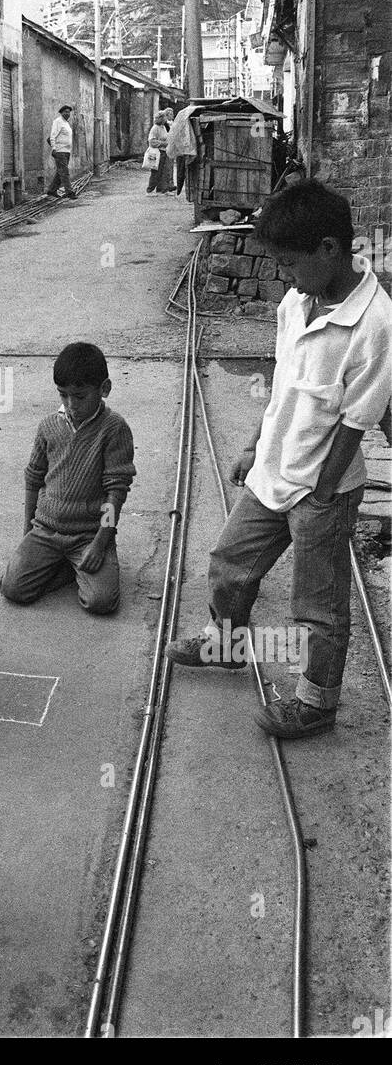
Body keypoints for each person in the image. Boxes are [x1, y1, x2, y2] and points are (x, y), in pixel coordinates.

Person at [167, 181, 392, 739]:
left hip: (324, 488)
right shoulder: (295, 302)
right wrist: (253, 446)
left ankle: (316, 704)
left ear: (328, 250)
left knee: (316, 606)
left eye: (291, 263)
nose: (285, 276)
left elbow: (356, 422)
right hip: (273, 469)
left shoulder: (377, 324)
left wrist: (320, 491)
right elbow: (285, 388)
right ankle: (227, 647)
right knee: (228, 562)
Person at [0, 342, 136, 614]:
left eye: (80, 396)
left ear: (104, 389)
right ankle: (64, 566)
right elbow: (33, 479)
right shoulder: (48, 425)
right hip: (46, 529)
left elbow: (116, 492)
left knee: (101, 602)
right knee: (13, 589)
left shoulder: (114, 429)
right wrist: (28, 532)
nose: (71, 405)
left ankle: (75, 564)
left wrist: (100, 542)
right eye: (63, 395)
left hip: (88, 534)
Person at [47, 105, 77, 198]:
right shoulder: (58, 122)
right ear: (61, 113)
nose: (68, 114)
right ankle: (69, 193)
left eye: (69, 112)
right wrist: (54, 149)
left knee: (60, 172)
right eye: (65, 112)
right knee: (64, 172)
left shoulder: (66, 123)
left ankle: (52, 190)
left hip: (66, 151)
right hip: (60, 151)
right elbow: (52, 136)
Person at [145, 111, 173, 194]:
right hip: (156, 152)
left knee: (165, 171)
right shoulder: (155, 128)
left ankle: (163, 189)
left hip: (164, 152)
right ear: (161, 118)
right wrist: (164, 143)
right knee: (155, 172)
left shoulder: (163, 127)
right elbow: (151, 142)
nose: (166, 118)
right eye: (164, 117)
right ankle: (149, 190)